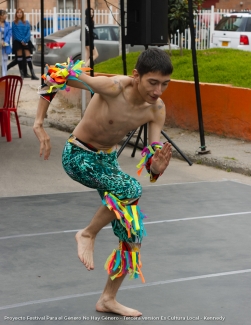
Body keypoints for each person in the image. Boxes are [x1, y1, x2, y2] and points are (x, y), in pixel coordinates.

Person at [33, 48, 173, 316]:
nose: (158, 91)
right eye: (152, 82)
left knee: (133, 233)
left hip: (107, 163)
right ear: (136, 77)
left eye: (164, 84)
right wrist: (39, 124)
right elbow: (54, 76)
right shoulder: (112, 87)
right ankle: (87, 233)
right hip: (78, 155)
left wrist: (157, 167)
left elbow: (152, 157)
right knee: (131, 188)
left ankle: (107, 299)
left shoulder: (156, 109)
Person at [12, 8, 38, 80]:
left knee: (28, 57)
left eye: (20, 12)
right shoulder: (14, 23)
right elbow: (15, 33)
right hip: (18, 42)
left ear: (22, 14)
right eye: (18, 12)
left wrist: (25, 40)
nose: (19, 14)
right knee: (19, 58)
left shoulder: (26, 22)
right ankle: (22, 75)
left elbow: (28, 33)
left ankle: (33, 74)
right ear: (16, 14)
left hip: (26, 41)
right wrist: (21, 41)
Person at [0, 10, 12, 77]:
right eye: (5, 14)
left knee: (5, 60)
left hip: (5, 44)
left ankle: (4, 75)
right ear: (0, 16)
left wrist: (5, 41)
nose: (6, 16)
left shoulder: (7, 24)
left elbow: (9, 33)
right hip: (0, 44)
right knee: (0, 60)